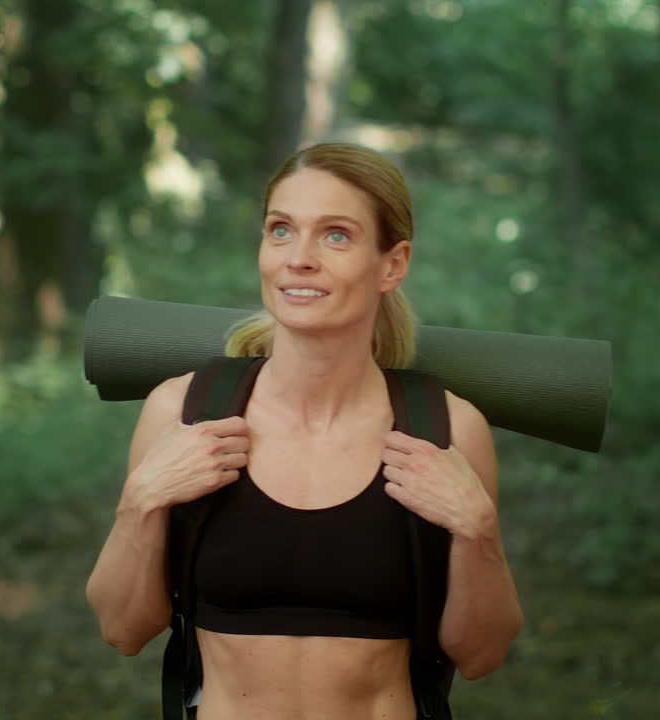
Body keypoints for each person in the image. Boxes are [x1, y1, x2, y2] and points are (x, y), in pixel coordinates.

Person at [86, 142, 523, 719]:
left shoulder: (445, 430)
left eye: (336, 234)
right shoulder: (185, 412)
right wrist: (140, 502)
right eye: (281, 230)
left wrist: (479, 532)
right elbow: (122, 629)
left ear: (392, 264)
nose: (299, 258)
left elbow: (482, 654)